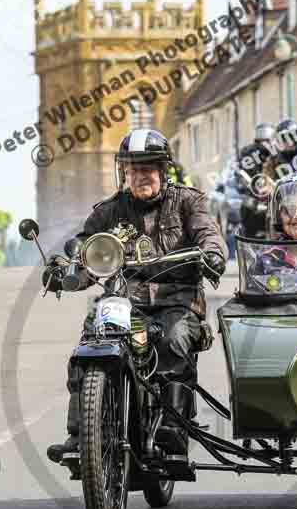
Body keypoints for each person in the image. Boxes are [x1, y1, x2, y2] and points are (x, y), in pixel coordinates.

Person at [46, 129, 228, 462]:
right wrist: (66, 270)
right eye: (133, 169)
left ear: (162, 170)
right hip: (125, 300)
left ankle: (173, 429)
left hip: (177, 299)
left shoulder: (189, 201)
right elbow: (86, 248)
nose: (140, 176)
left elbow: (209, 232)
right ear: (124, 173)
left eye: (147, 168)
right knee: (90, 343)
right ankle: (80, 435)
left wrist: (212, 254)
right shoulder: (109, 211)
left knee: (173, 340)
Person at [237, 123, 276, 237]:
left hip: (274, 193)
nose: (264, 144)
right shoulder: (247, 153)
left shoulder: (277, 153)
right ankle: (248, 241)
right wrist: (246, 184)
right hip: (253, 193)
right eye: (261, 141)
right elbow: (241, 172)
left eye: (267, 141)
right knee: (248, 208)